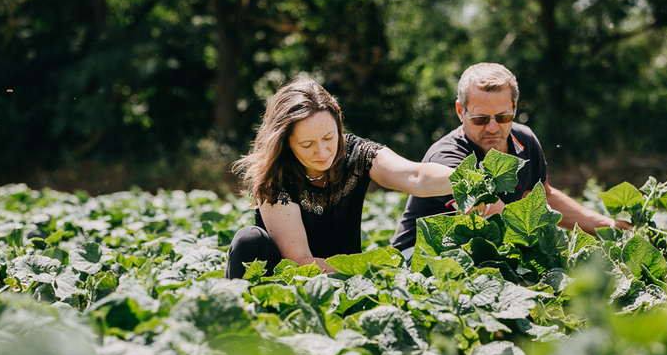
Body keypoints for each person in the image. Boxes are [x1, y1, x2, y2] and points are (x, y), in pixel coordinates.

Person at [390, 62, 631, 257]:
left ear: (515, 108)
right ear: (460, 111)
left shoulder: (524, 139)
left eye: (503, 117)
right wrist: (558, 250)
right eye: (481, 119)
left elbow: (544, 197)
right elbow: (495, 219)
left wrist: (610, 227)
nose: (493, 127)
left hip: (477, 254)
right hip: (419, 258)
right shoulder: (447, 157)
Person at [224, 76, 456, 279]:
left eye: (328, 137)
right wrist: (372, 271)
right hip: (288, 284)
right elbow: (300, 262)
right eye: (307, 144)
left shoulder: (357, 153)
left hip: (347, 285)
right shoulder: (276, 177)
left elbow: (415, 175)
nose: (322, 152)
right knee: (248, 240)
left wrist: (467, 180)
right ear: (286, 143)